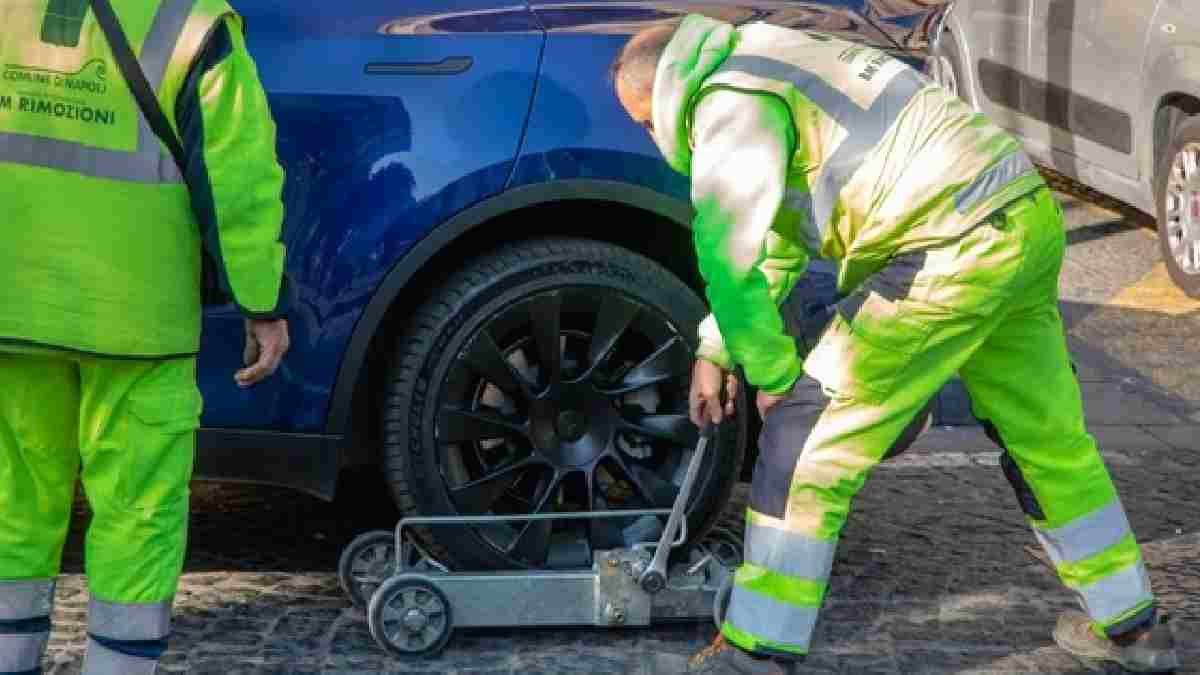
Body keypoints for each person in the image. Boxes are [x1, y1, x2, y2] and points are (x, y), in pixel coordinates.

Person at [611, 14, 1180, 674]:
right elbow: (775, 245)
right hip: (1017, 216)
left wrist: (772, 371)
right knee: (1049, 440)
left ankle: (755, 651)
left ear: (660, 98)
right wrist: (717, 348)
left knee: (805, 437)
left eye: (644, 123)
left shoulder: (728, 102)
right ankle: (1135, 628)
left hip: (945, 243)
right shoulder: (777, 56)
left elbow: (727, 254)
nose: (652, 138)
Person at [0, 1, 290, 673]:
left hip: (12, 305)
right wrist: (262, 301)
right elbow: (238, 175)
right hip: (135, 318)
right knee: (137, 509)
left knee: (12, 501)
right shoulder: (192, 20)